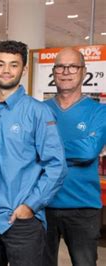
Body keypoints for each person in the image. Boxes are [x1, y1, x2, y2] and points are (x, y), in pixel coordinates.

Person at [0, 40, 67, 266]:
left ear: (23, 70)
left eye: (14, 65)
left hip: (22, 221)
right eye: (1, 64)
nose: (6, 70)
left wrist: (30, 206)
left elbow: (56, 166)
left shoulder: (38, 112)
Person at [43, 48, 106, 266]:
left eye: (73, 66)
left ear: (84, 71)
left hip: (83, 208)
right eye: (60, 66)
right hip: (43, 204)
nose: (66, 72)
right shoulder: (40, 110)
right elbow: (28, 150)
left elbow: (88, 151)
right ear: (53, 72)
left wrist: (46, 148)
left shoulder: (99, 112)